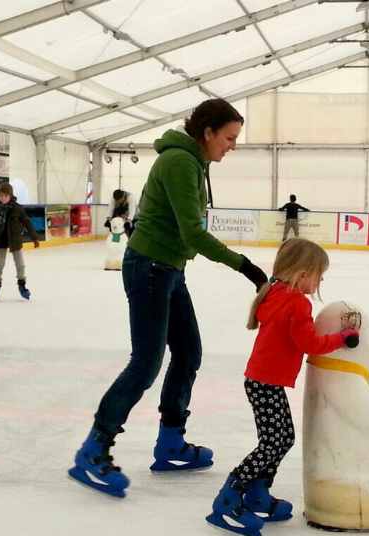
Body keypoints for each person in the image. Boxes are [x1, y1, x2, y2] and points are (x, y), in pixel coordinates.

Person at [68, 98, 268, 498]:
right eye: (228, 137)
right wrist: (247, 268)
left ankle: (171, 442)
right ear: (207, 132)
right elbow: (193, 233)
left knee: (188, 353)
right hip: (150, 268)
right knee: (145, 363)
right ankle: (94, 449)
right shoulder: (179, 162)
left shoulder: (195, 162)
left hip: (168, 268)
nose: (232, 145)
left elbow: (187, 234)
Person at [206, 238, 359, 536]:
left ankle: (258, 492)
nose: (320, 282)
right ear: (303, 273)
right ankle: (230, 495)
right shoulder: (297, 302)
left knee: (281, 438)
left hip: (261, 380)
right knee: (273, 443)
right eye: (319, 275)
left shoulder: (275, 292)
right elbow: (310, 344)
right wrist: (343, 338)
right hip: (265, 382)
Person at [0, 182, 39, 301]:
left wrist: (34, 237)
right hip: (0, 240)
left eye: (5, 196)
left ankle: (22, 285)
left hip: (15, 240)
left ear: (10, 195)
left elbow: (27, 222)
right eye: (1, 196)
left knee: (20, 265)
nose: (3, 198)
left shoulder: (17, 208)